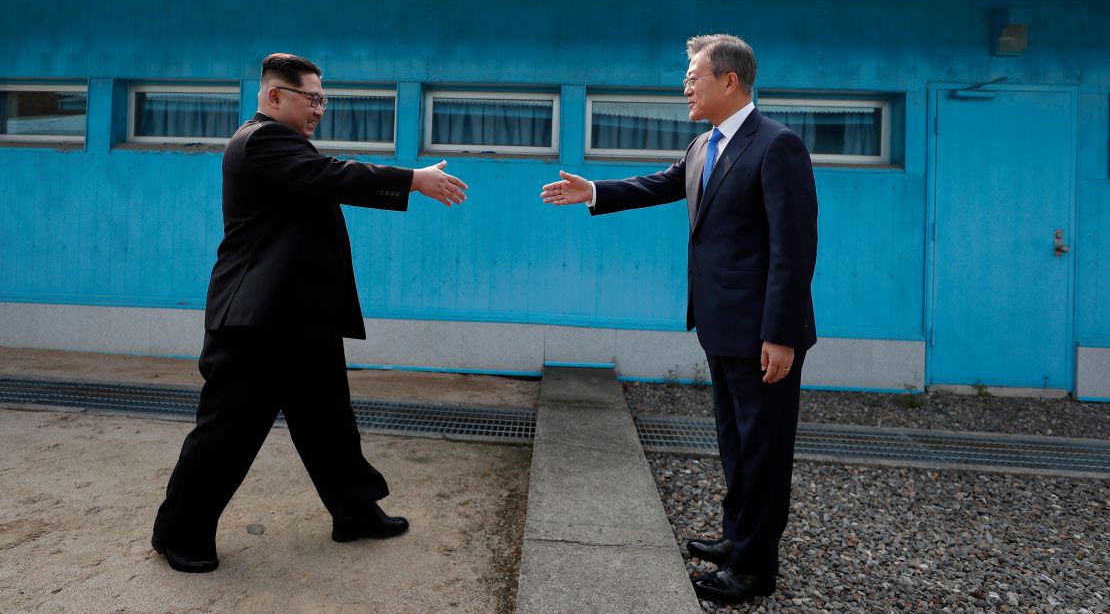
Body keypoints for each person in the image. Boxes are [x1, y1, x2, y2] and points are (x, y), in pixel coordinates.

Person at [151, 53, 468, 573]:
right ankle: (178, 533)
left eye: (324, 98)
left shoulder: (286, 144)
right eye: (312, 97)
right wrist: (411, 178)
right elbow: (332, 175)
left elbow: (321, 181)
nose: (320, 107)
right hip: (257, 321)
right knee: (227, 432)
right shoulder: (262, 140)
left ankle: (355, 513)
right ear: (275, 96)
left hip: (301, 316)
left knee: (329, 424)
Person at [540, 34, 818, 604]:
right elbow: (659, 185)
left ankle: (754, 569)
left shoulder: (777, 146)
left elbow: (794, 248)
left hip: (764, 331)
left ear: (730, 81)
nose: (685, 85)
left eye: (694, 74)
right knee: (734, 442)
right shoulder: (703, 147)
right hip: (719, 323)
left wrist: (781, 334)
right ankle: (737, 538)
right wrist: (593, 189)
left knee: (764, 449)